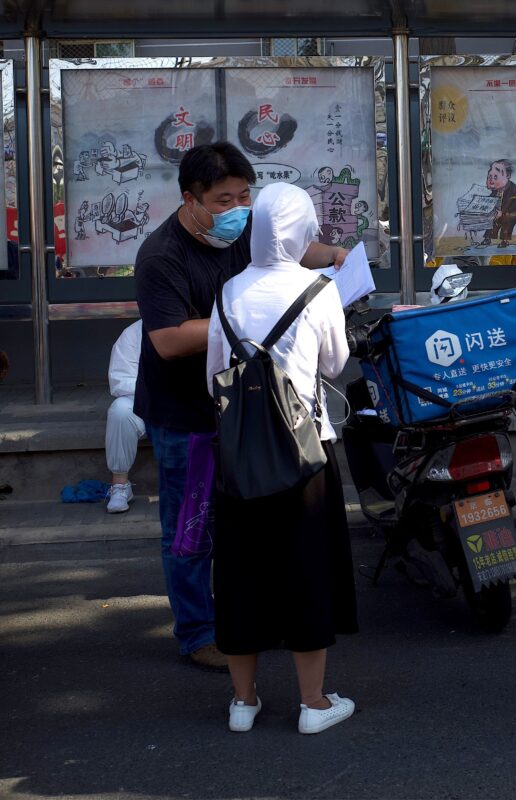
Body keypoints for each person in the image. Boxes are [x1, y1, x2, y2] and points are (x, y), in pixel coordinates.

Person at [134, 142, 346, 671]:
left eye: (245, 196)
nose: (239, 208)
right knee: (191, 527)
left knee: (250, 527)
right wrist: (246, 324)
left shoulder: (244, 231)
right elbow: (166, 340)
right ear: (192, 200)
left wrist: (338, 257)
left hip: (251, 411)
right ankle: (197, 632)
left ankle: (251, 623)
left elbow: (296, 249)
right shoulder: (162, 256)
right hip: (188, 415)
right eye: (225, 199)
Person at [205, 182, 358, 735]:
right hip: (304, 456)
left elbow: (213, 380)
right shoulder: (319, 289)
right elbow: (336, 365)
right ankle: (312, 704)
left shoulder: (226, 292)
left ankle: (242, 703)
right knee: (306, 572)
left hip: (239, 457)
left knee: (241, 575)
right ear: (301, 230)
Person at [105, 320, 145, 514]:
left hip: (187, 404)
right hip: (148, 403)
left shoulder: (195, 326)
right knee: (120, 410)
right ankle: (120, 484)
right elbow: (120, 381)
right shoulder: (133, 333)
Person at [484, 159, 516, 247]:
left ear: (508, 175)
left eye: (495, 177)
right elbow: (492, 198)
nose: (492, 180)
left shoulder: (511, 187)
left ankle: (505, 241)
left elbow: (508, 201)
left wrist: (502, 212)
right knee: (492, 221)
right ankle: (487, 239)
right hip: (501, 210)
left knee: (506, 221)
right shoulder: (496, 189)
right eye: (490, 176)